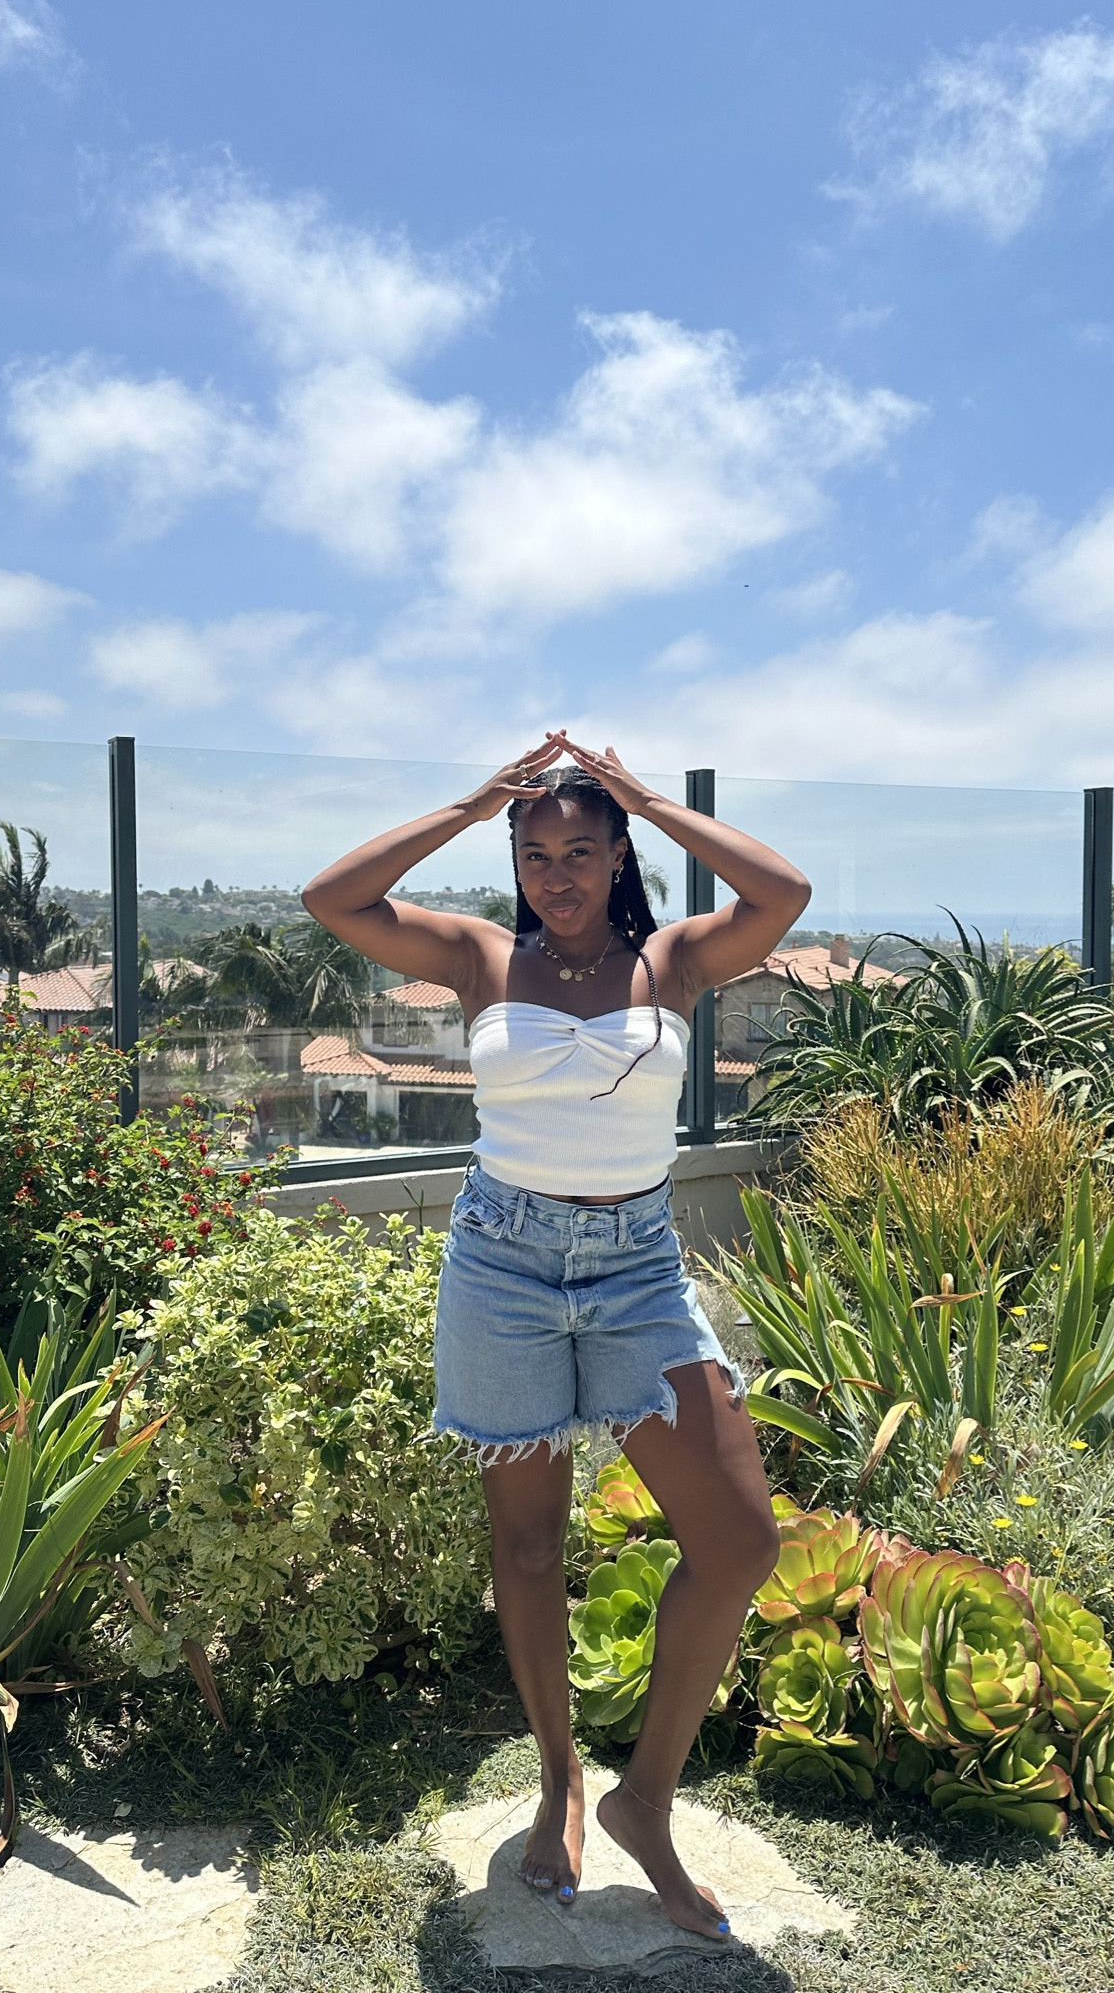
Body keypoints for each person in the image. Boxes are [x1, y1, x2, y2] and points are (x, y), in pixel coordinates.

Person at [302, 730, 810, 1940]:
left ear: (619, 850)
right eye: (535, 853)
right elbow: (333, 897)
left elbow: (782, 894)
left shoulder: (673, 957)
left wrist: (648, 794)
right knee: (526, 1545)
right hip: (502, 1263)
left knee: (736, 1538)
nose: (557, 874)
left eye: (582, 848)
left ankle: (646, 1799)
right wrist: (473, 799)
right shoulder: (482, 956)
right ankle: (558, 1780)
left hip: (636, 1265)